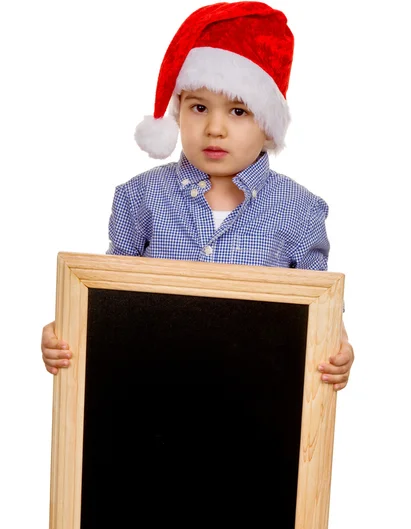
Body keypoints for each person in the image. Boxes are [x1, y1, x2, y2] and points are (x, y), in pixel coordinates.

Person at [41, 1, 354, 389]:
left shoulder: (301, 210)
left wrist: (338, 347)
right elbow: (107, 291)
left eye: (239, 111)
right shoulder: (141, 196)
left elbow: (320, 301)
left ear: (269, 125)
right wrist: (66, 329)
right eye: (200, 107)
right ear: (179, 112)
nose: (215, 128)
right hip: (154, 388)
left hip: (255, 395)